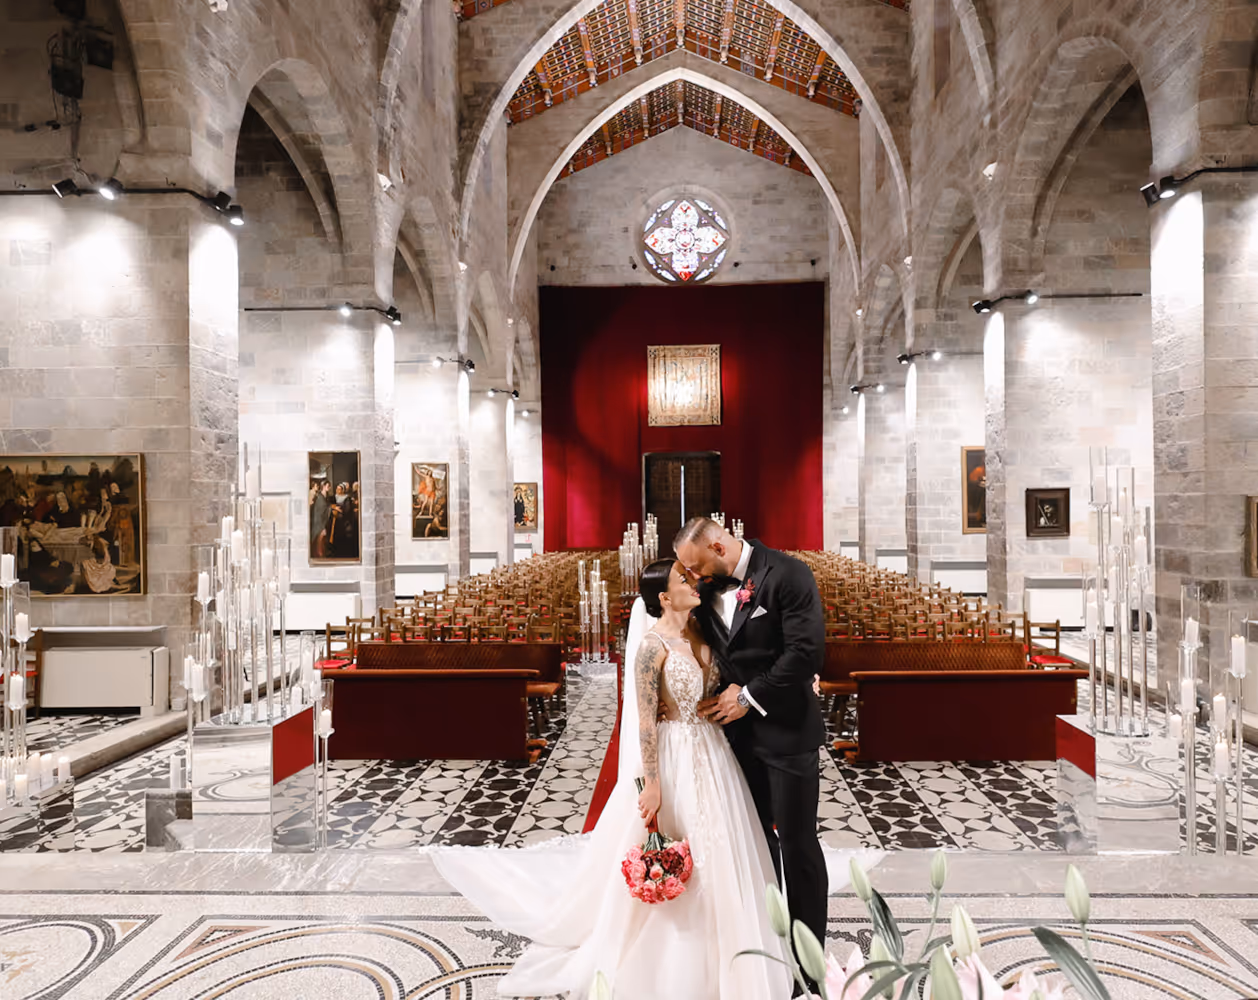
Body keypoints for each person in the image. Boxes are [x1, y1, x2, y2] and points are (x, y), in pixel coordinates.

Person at [432, 559, 792, 1000]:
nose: (694, 582)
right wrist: (653, 783)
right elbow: (644, 722)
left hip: (714, 754)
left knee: (726, 848)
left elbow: (725, 676)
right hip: (673, 755)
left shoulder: (705, 632)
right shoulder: (651, 647)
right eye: (684, 579)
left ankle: (737, 946)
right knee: (678, 845)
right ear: (663, 597)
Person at [673, 516, 828, 994]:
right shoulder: (707, 590)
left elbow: (805, 653)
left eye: (698, 569)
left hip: (786, 734)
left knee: (798, 846)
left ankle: (808, 963)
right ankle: (767, 947)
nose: (695, 581)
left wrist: (747, 696)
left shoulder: (789, 575)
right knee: (752, 845)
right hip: (733, 744)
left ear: (719, 545)